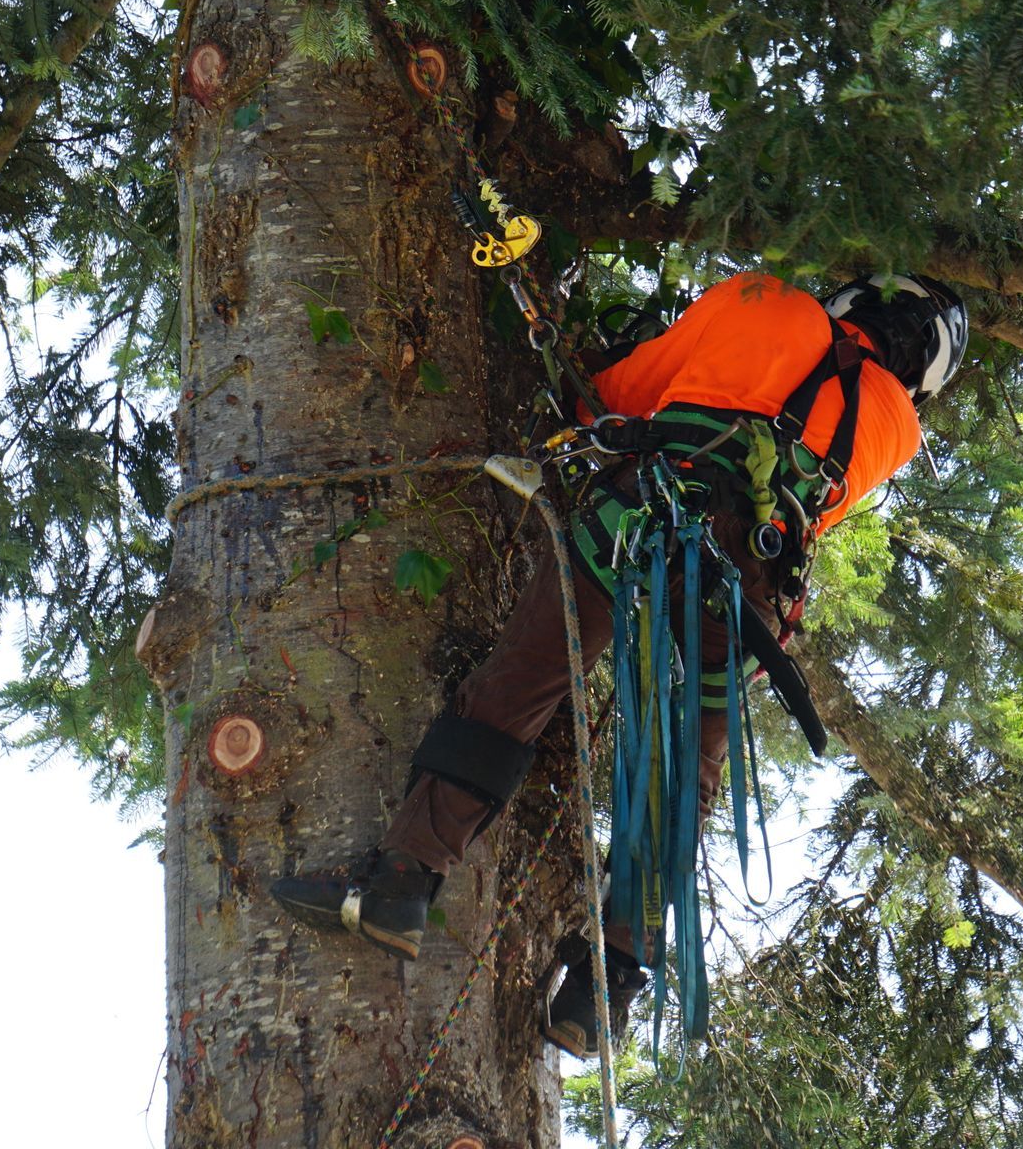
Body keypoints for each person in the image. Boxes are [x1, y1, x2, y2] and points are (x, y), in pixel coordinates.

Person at [271, 270, 969, 1057]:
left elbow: (618, 393)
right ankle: (609, 984)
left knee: (518, 688)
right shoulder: (895, 431)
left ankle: (403, 881)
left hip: (640, 517)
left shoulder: (764, 299)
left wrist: (586, 377)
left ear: (858, 298)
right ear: (923, 369)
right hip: (745, 591)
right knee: (685, 778)